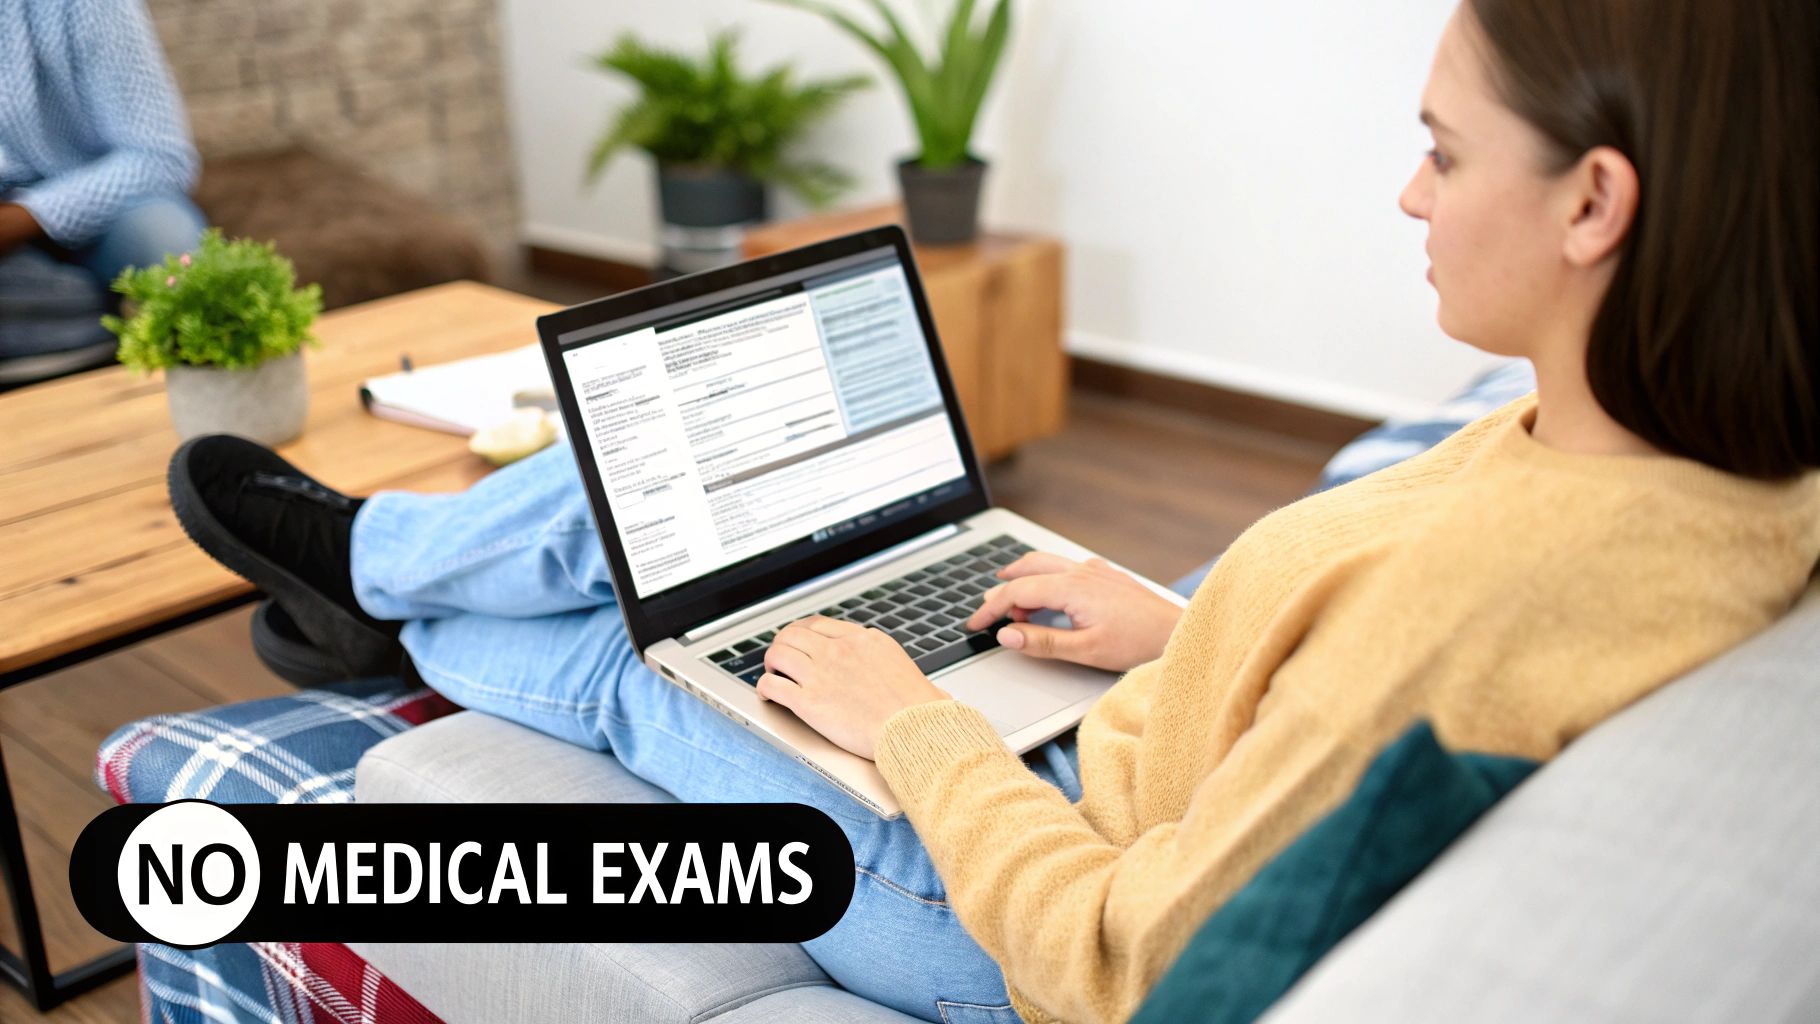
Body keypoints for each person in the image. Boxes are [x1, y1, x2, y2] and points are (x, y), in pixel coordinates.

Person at [166, 2, 1820, 1022]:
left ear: (1598, 199)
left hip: (1001, 913)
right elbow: (1362, 679)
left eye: (1445, 154)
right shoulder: (1681, 462)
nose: (1409, 192)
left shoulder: (1508, 582)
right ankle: (373, 565)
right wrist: (1192, 632)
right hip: (1108, 752)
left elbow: (1117, 961)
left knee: (633, 646)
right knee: (711, 536)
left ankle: (371, 587)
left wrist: (913, 730)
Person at [0, 0, 207, 385]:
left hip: (98, 199)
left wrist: (28, 214)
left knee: (170, 246)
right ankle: (95, 327)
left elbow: (160, 157)